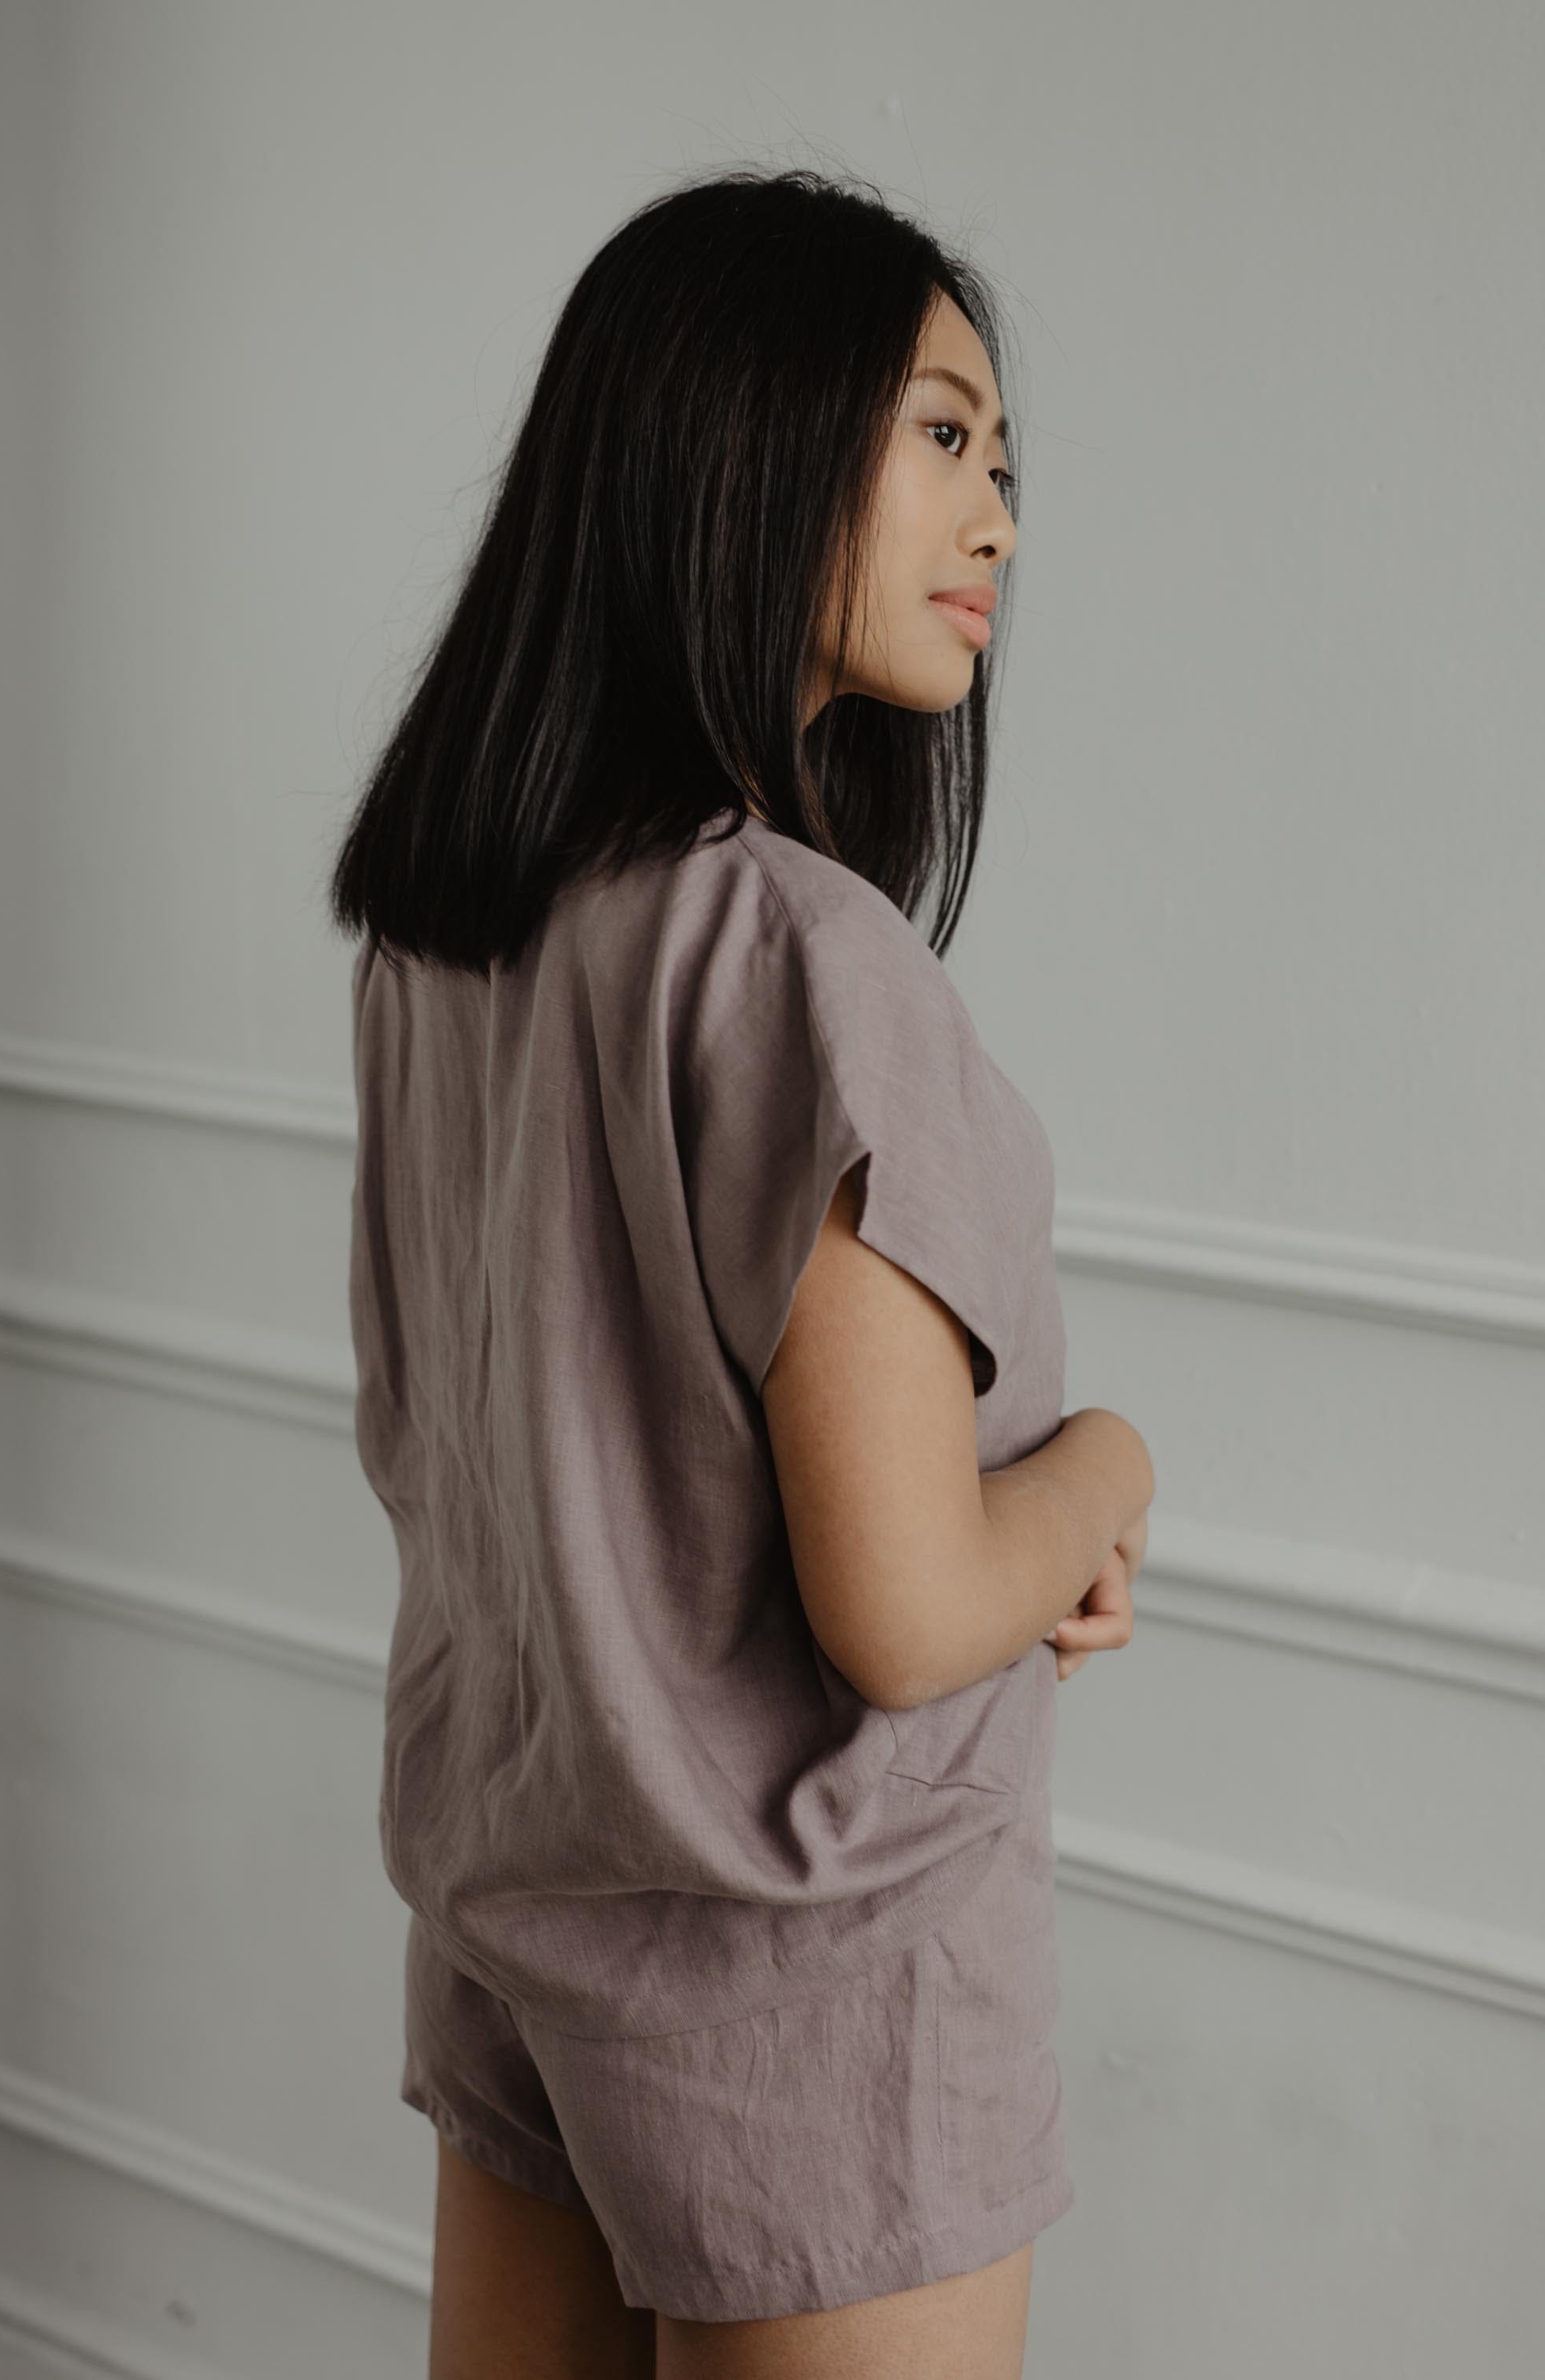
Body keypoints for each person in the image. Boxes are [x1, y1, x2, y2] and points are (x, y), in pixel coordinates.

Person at [330, 164, 1153, 2380]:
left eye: (1008, 463)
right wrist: (1102, 1471)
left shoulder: (452, 932)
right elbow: (900, 1607)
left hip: (524, 1902)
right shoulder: (799, 954)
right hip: (819, 1985)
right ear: (739, 427)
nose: (999, 519)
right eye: (944, 436)